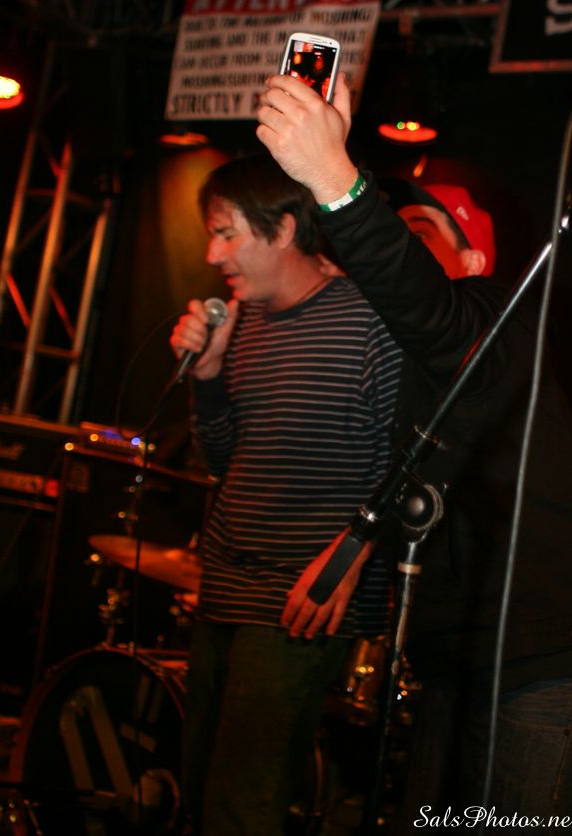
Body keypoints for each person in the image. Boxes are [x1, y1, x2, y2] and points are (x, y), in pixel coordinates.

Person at [256, 72, 572, 832]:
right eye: (395, 231)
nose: (401, 247)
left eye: (421, 233)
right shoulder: (417, 372)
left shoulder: (495, 316)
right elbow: (426, 467)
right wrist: (355, 543)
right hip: (453, 661)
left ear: (472, 261)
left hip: (541, 664)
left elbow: (428, 308)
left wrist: (336, 180)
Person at [168, 153, 403, 835]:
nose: (213, 255)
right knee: (196, 792)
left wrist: (349, 556)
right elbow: (223, 462)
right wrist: (208, 375)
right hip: (224, 587)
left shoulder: (371, 321)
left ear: (286, 228)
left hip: (301, 601)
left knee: (241, 809)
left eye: (227, 234)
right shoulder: (242, 322)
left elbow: (414, 465)